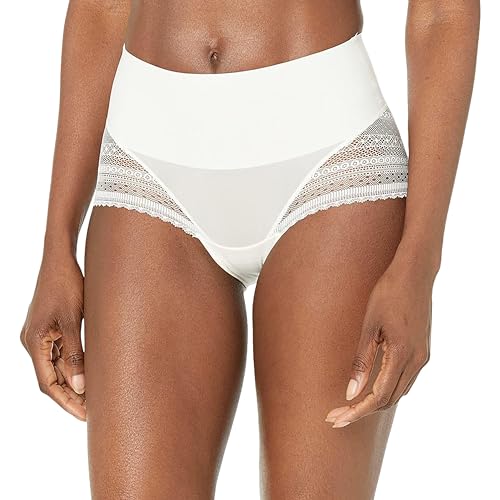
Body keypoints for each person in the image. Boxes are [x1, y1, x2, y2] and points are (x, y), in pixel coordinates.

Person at [20, 1, 480, 498]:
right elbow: (101, 7)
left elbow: (443, 12)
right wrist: (56, 243)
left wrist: (419, 264)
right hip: (147, 161)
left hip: (328, 156)